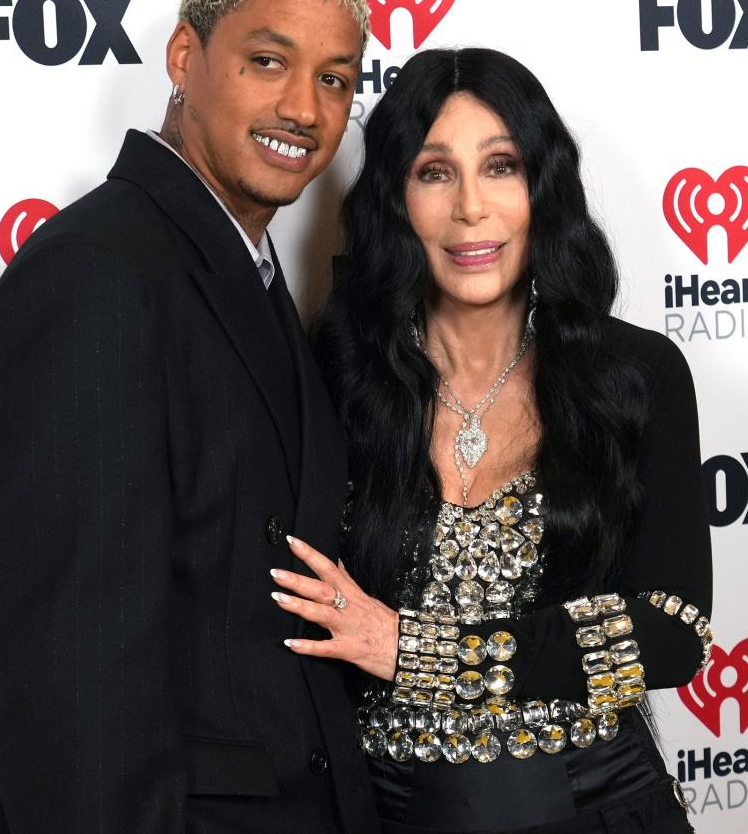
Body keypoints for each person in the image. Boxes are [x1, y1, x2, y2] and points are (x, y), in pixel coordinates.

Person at [0, 0, 380, 833]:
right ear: (186, 57)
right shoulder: (95, 278)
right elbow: (73, 674)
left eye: (336, 79)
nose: (305, 108)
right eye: (268, 61)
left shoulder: (248, 272)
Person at [272, 48, 712, 832]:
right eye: (435, 172)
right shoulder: (336, 380)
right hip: (385, 814)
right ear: (395, 199)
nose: (471, 208)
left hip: (599, 809)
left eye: (501, 167)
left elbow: (674, 633)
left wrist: (418, 651)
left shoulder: (633, 375)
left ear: (541, 189)